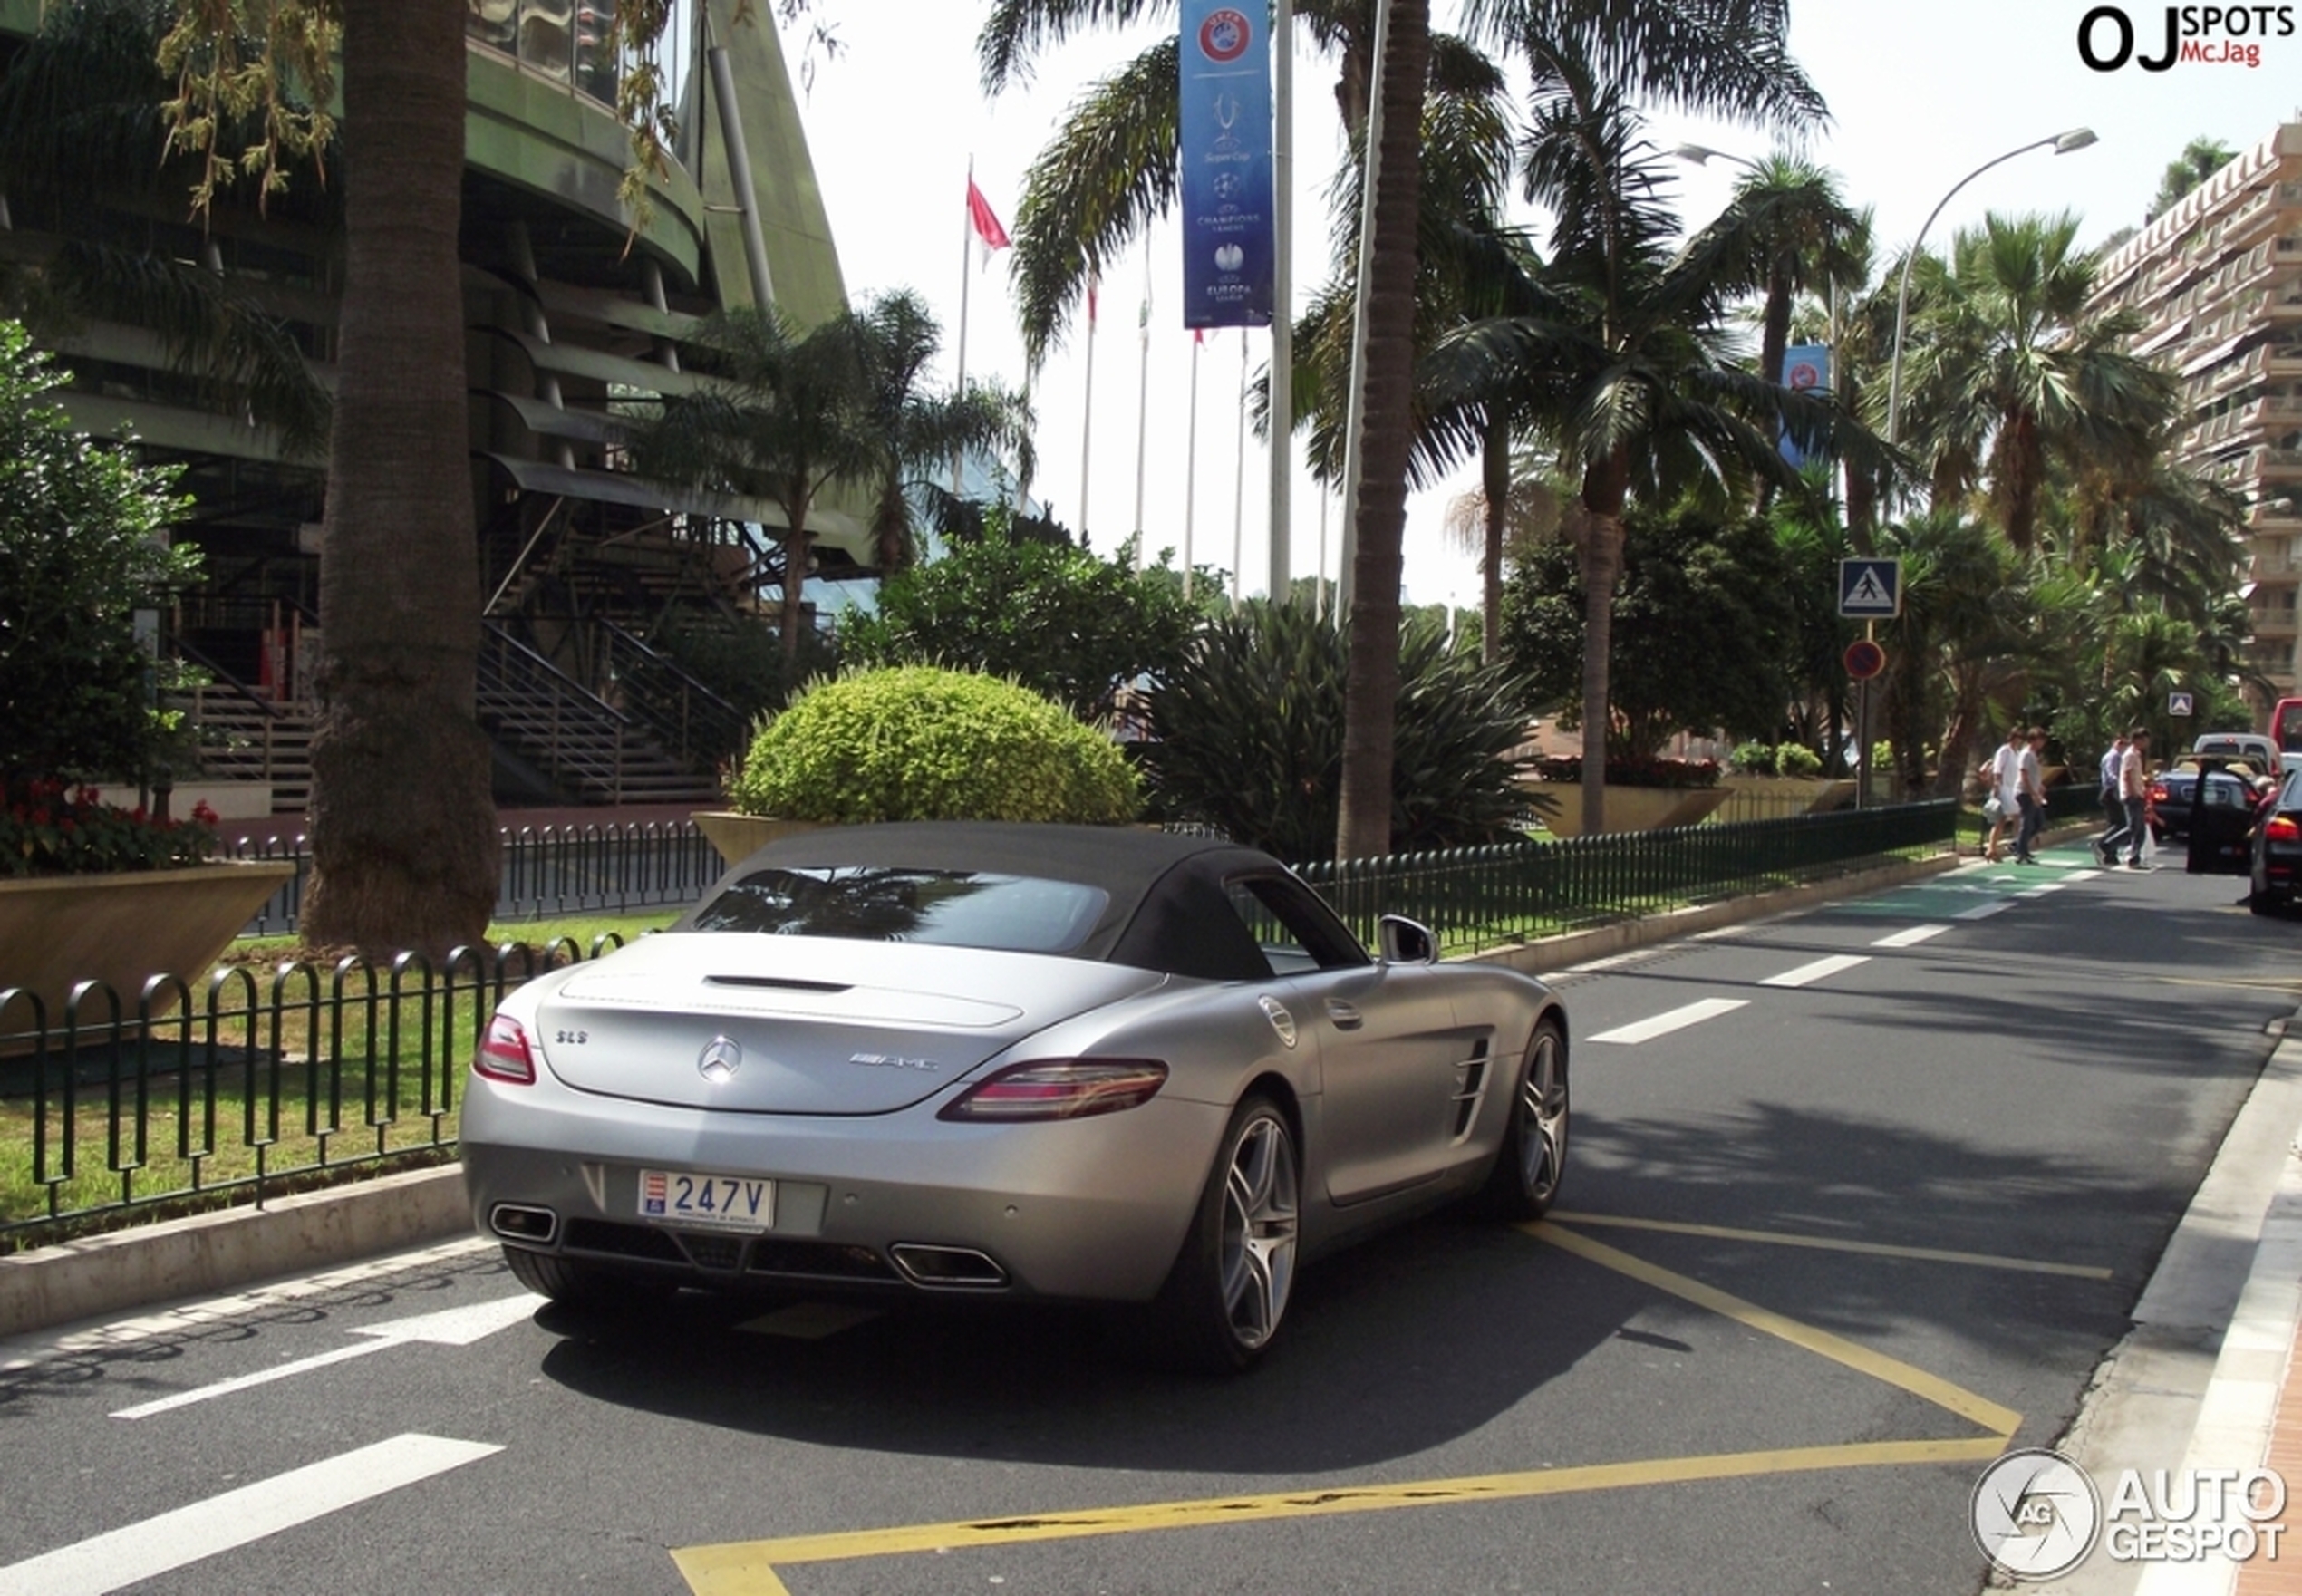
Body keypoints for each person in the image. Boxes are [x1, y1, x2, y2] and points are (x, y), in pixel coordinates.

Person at [2097, 728, 2152, 868]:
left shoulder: (2136, 754)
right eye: (2145, 740)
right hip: (2131, 796)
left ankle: (2135, 858)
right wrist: (2133, 792)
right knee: (2132, 828)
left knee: (2139, 830)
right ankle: (2106, 846)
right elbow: (2126, 775)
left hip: (2138, 793)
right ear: (2138, 740)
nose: (2147, 743)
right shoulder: (2130, 755)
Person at [1986, 725, 2024, 862]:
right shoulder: (2004, 751)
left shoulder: (2018, 753)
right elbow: (1998, 768)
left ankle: (2017, 845)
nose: (2019, 740)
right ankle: (1991, 849)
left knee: (2017, 818)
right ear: (2012, 737)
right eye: (2017, 737)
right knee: (2001, 820)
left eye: (2020, 738)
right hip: (2003, 788)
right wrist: (1996, 784)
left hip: (2013, 789)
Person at [2014, 727, 2047, 864]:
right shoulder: (2026, 754)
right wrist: (2033, 793)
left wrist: (2040, 787)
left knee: (2038, 823)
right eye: (2041, 740)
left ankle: (2018, 845)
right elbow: (2024, 775)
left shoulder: (2033, 754)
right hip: (2025, 792)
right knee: (2027, 823)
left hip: (2033, 792)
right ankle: (2021, 853)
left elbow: (2034, 775)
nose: (2042, 743)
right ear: (2034, 740)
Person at [2099, 732, 2129, 834]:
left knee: (2117, 821)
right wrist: (2123, 783)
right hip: (2111, 791)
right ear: (2114, 743)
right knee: (2119, 822)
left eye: (2125, 743)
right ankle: (2103, 843)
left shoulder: (2118, 756)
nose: (2123, 746)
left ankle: (2108, 846)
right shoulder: (2113, 756)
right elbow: (2111, 775)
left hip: (2113, 791)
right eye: (2120, 742)